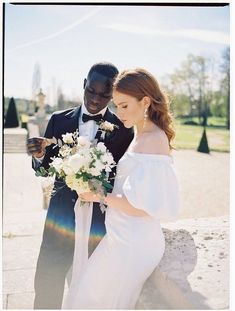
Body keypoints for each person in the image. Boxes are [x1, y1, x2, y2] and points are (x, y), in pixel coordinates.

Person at [63, 68, 180, 309]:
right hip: (120, 237)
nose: (118, 112)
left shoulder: (154, 139)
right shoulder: (140, 133)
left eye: (124, 105)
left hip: (134, 243)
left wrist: (97, 195)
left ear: (145, 101)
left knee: (99, 300)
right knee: (87, 294)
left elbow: (141, 207)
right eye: (117, 106)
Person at [27, 62, 134, 309]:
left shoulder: (124, 131)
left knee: (94, 287)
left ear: (113, 95)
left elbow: (122, 180)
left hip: (99, 222)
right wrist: (39, 156)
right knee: (47, 279)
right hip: (60, 216)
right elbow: (43, 170)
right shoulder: (58, 120)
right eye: (91, 91)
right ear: (84, 84)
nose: (96, 99)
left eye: (105, 95)